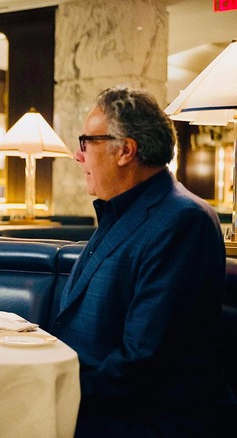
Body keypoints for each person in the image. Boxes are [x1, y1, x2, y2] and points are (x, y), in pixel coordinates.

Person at [51, 85, 235, 437]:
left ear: (125, 150)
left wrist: (57, 395)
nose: (78, 156)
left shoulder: (183, 220)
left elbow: (142, 361)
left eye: (86, 142)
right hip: (103, 405)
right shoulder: (121, 208)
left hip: (147, 420)